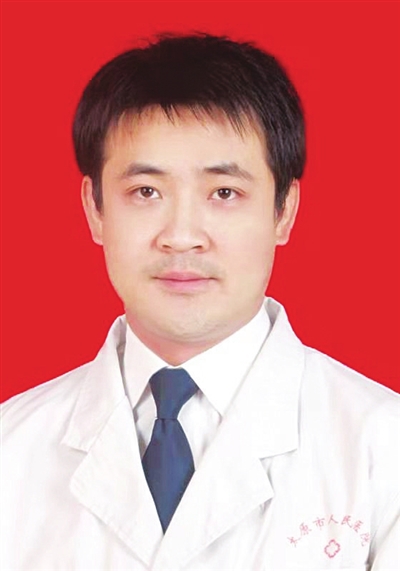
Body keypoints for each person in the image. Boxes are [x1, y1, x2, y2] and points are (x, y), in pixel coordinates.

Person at [1, 33, 399, 570]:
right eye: (146, 192)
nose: (182, 237)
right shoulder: (11, 448)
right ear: (95, 209)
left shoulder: (384, 449)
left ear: (284, 210)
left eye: (224, 193)